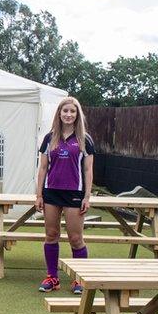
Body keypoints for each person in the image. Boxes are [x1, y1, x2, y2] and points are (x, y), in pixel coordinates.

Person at [34, 96, 94, 294]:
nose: (68, 115)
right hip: (51, 192)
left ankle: (79, 280)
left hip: (74, 195)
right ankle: (52, 277)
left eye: (72, 111)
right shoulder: (49, 138)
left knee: (75, 238)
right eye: (65, 111)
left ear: (77, 115)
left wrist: (87, 196)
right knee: (51, 235)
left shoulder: (85, 140)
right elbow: (42, 168)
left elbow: (88, 170)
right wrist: (39, 195)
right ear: (59, 114)